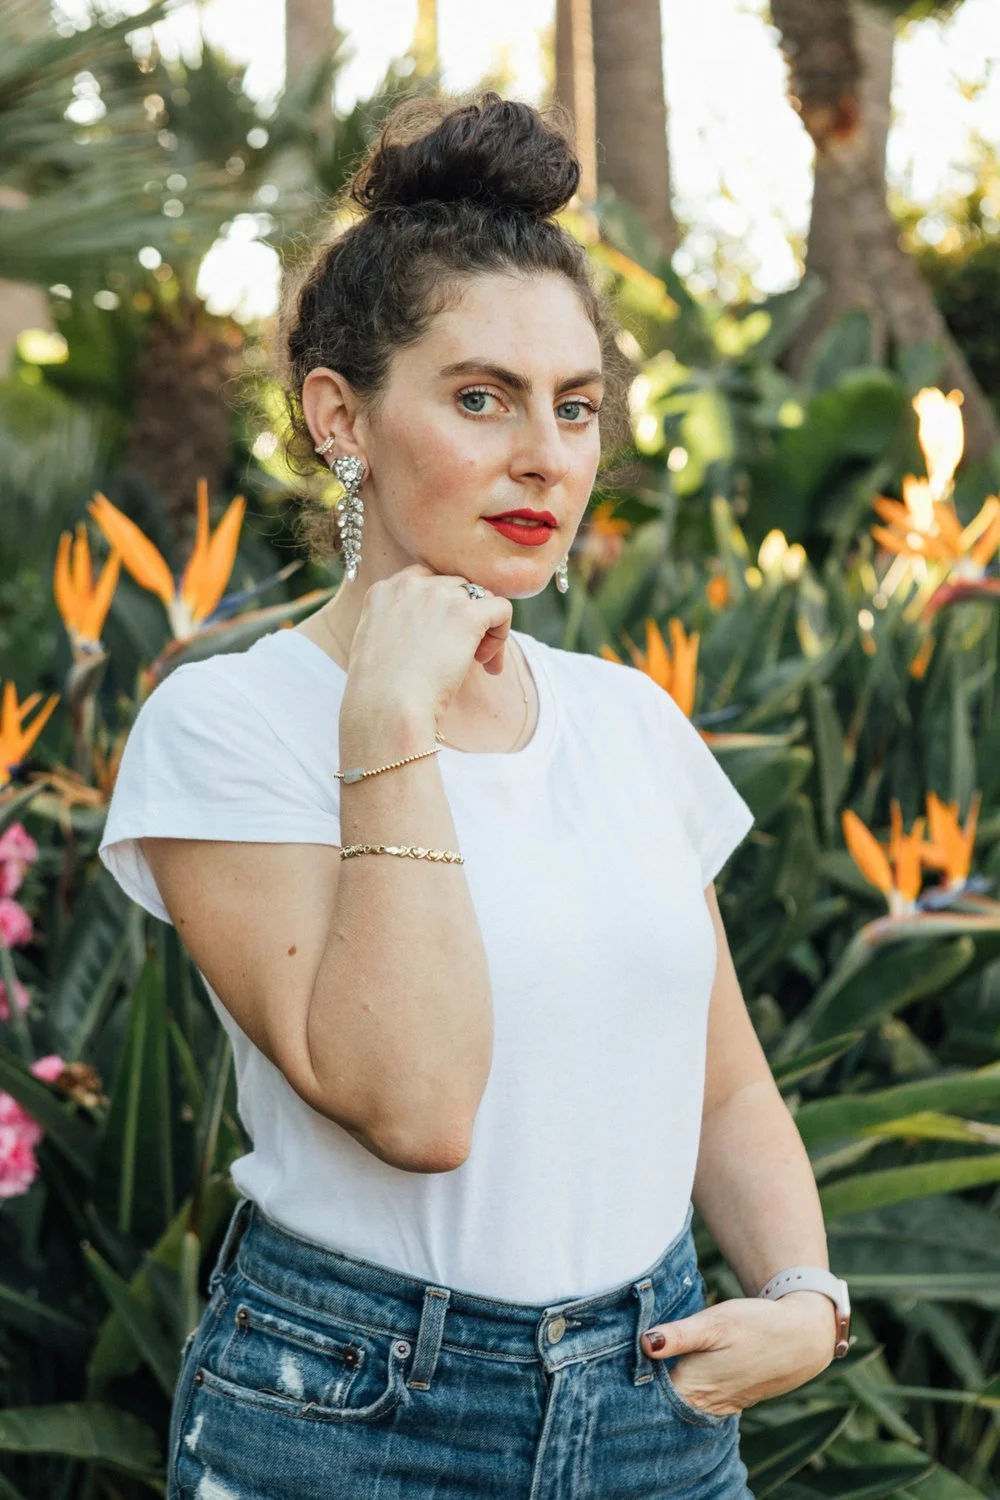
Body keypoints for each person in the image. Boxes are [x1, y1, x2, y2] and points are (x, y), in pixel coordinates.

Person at [99, 91, 848, 1500]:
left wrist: (807, 1301)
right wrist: (389, 717)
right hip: (358, 1422)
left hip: (658, 1413)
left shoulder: (627, 722)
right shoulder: (230, 728)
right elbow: (417, 1106)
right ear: (341, 416)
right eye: (481, 398)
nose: (545, 455)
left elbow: (724, 1083)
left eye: (576, 406)